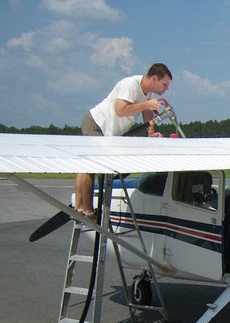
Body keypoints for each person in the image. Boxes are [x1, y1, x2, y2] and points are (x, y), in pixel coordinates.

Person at [74, 63, 173, 219]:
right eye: (164, 84)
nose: (166, 89)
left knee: (90, 167)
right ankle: (86, 210)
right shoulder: (131, 84)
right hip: (97, 123)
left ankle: (80, 207)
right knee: (90, 167)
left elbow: (147, 114)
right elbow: (121, 110)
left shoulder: (146, 93)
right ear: (154, 79)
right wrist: (147, 104)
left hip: (109, 131)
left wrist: (150, 132)